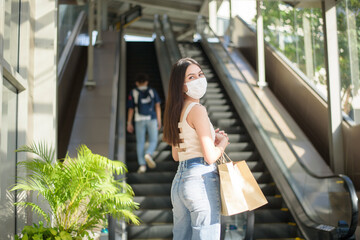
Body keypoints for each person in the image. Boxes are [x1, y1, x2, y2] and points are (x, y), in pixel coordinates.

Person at [162, 58, 229, 240]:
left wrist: (207, 136)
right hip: (201, 180)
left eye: (200, 74)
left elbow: (177, 155)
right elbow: (210, 157)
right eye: (191, 77)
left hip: (179, 183)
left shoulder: (176, 112)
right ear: (181, 86)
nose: (199, 79)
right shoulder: (197, 109)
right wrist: (223, 143)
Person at [127, 73, 162, 173]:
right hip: (152, 118)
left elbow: (131, 109)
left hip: (139, 120)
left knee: (140, 142)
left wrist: (129, 122)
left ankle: (142, 165)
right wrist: (159, 121)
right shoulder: (152, 91)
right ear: (147, 82)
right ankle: (149, 153)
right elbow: (158, 106)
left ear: (137, 83)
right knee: (153, 140)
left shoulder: (133, 92)